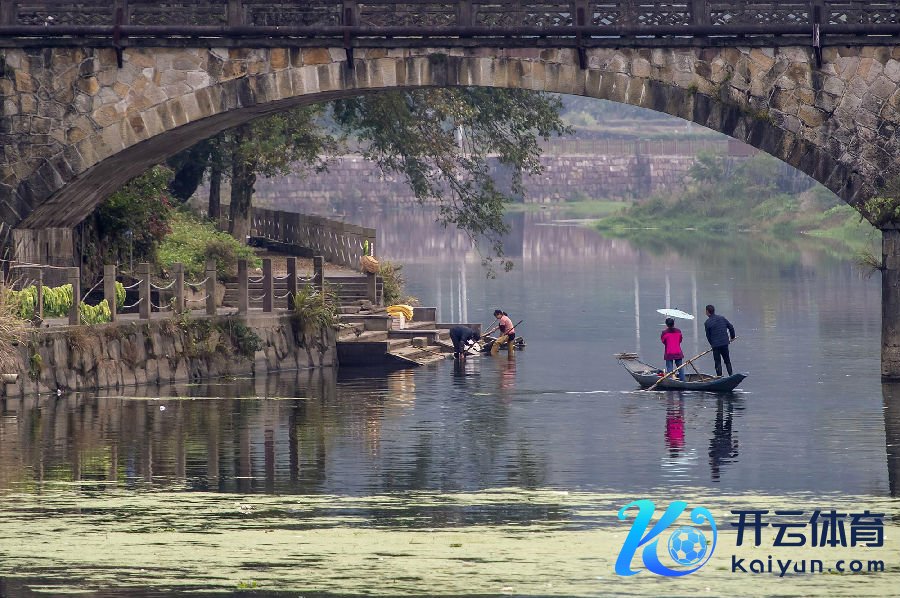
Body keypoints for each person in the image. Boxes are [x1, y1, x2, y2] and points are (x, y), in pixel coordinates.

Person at [704, 304, 736, 377]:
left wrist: (712, 344)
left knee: (717, 362)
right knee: (727, 360)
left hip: (716, 345)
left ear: (707, 312)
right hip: (725, 343)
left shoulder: (707, 323)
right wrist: (732, 337)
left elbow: (708, 336)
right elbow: (731, 327)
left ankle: (719, 377)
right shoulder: (722, 318)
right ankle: (731, 375)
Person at [660, 317, 685, 382]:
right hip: (678, 352)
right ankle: (683, 381)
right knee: (680, 369)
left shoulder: (664, 332)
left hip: (669, 353)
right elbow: (680, 340)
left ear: (666, 324)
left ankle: (671, 382)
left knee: (669, 369)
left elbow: (663, 341)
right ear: (673, 324)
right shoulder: (678, 331)